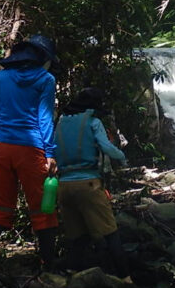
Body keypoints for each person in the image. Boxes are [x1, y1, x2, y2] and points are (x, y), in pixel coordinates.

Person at [0, 34, 60, 271]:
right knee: (42, 205)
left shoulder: (2, 77)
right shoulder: (46, 79)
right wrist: (50, 153)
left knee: (0, 204)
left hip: (1, 147)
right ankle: (48, 263)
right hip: (32, 149)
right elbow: (44, 118)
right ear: (43, 58)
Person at [54, 87, 130, 278]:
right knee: (110, 233)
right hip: (88, 185)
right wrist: (122, 157)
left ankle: (71, 277)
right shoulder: (93, 122)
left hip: (63, 187)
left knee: (77, 237)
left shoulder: (61, 122)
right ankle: (126, 278)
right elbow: (106, 147)